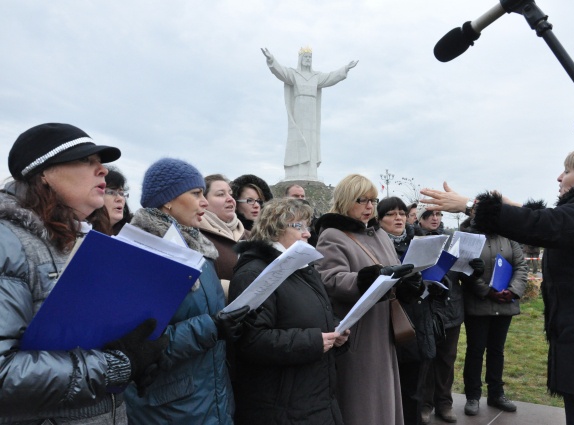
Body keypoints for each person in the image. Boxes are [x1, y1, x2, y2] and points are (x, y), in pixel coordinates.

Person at [420, 147, 574, 425]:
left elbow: (547, 225)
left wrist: (470, 205)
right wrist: (512, 207)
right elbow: (553, 224)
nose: (559, 177)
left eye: (567, 171)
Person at [0, 123, 167, 424]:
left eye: (100, 162)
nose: (102, 170)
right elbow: (4, 373)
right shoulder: (7, 241)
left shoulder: (85, 240)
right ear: (44, 174)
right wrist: (116, 366)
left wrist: (138, 347)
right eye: (85, 161)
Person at [124, 158, 249, 424]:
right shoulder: (143, 252)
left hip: (210, 396)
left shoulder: (198, 250)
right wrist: (213, 327)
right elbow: (138, 346)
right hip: (170, 407)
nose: (204, 202)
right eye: (196, 194)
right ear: (167, 200)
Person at [314, 175, 424, 425]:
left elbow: (393, 268)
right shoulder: (332, 234)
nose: (369, 207)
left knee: (385, 394)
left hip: (384, 326)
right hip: (359, 332)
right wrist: (367, 279)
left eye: (373, 200)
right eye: (362, 200)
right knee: (363, 400)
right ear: (345, 200)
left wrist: (408, 281)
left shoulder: (378, 233)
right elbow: (329, 279)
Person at [229, 198, 349, 425]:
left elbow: (313, 314)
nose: (307, 234)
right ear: (275, 229)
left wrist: (335, 329)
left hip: (316, 397)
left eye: (307, 226)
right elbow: (252, 340)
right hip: (280, 406)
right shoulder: (255, 273)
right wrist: (314, 341)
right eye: (299, 226)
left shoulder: (304, 269)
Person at [458, 213, 527, 416]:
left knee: (497, 350)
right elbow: (463, 268)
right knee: (475, 350)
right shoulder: (468, 236)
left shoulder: (509, 237)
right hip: (478, 304)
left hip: (504, 303)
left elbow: (521, 266)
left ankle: (496, 393)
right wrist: (487, 291)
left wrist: (513, 290)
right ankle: (472, 396)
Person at [377, 197, 436, 425]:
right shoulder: (375, 245)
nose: (398, 217)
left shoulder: (418, 241)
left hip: (417, 321)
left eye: (402, 213)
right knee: (390, 389)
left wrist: (438, 286)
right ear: (379, 219)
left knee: (413, 389)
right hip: (388, 322)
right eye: (391, 214)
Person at [261, 47, 358, 180]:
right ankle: (295, 170)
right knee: (297, 138)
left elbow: (331, 77)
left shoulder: (316, 76)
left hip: (312, 114)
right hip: (299, 110)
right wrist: (271, 59)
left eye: (310, 58)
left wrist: (346, 68)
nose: (308, 60)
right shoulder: (294, 74)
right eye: (306, 57)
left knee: (311, 141)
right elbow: (281, 72)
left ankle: (310, 171)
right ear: (300, 59)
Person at [418, 209, 463, 423]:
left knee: (447, 359)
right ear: (419, 218)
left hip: (450, 307)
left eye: (438, 214)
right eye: (429, 214)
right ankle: (425, 404)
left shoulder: (453, 240)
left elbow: (461, 272)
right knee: (427, 358)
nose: (435, 218)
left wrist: (474, 268)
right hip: (425, 307)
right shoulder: (413, 239)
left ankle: (445, 403)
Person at [200, 173, 249, 284]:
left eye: (230, 194)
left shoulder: (250, 235)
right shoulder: (196, 237)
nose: (230, 199)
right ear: (203, 201)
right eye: (221, 194)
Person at [103, 165, 132, 235]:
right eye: (111, 192)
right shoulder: (81, 230)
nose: (120, 199)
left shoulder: (129, 234)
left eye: (121, 193)